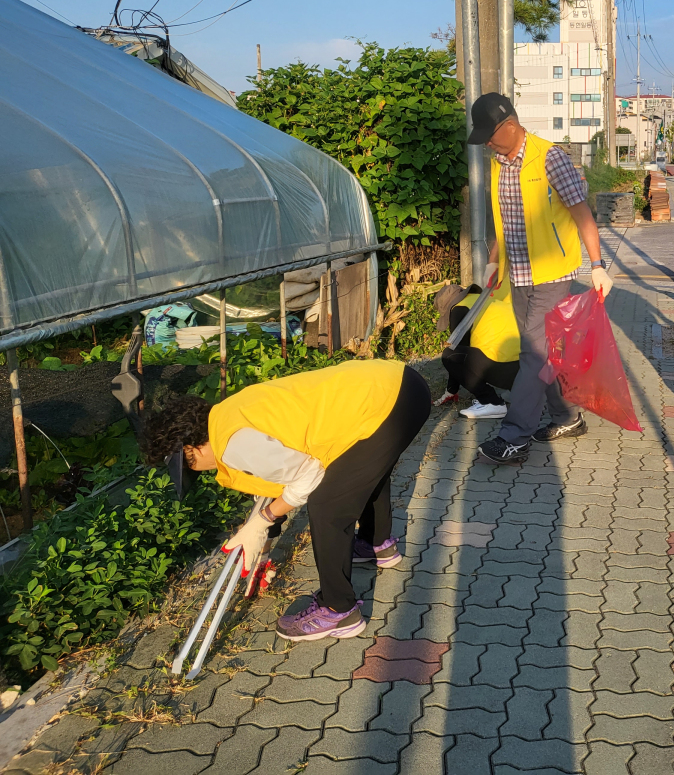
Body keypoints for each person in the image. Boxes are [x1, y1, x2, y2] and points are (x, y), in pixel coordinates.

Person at [141, 360, 430, 641]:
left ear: (193, 449)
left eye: (189, 466)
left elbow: (309, 477)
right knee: (360, 472)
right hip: (399, 385)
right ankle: (375, 544)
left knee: (326, 506)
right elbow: (270, 482)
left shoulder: (232, 445)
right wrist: (262, 550)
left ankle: (338, 610)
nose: (197, 471)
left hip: (384, 403)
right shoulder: (224, 416)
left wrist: (263, 520)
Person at [466, 93, 613, 466]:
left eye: (490, 134)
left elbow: (582, 214)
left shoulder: (550, 158)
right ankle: (567, 418)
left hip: (553, 275)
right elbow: (505, 220)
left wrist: (597, 264)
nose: (486, 142)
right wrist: (494, 262)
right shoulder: (499, 162)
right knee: (540, 355)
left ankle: (515, 437)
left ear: (510, 126)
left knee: (534, 354)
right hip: (518, 274)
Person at [435, 280, 521, 419]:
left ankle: (492, 403)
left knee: (448, 355)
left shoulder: (458, 310)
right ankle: (518, 392)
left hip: (504, 369)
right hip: (524, 366)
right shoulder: (484, 299)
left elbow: (456, 356)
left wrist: (451, 390)